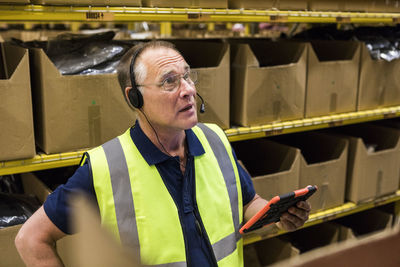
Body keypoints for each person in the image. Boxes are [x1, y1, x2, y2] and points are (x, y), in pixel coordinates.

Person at [15, 40, 311, 267]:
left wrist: (276, 215)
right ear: (135, 97)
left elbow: (247, 203)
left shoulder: (215, 140)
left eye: (187, 76)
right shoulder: (106, 167)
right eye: (170, 81)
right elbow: (30, 239)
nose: (188, 90)